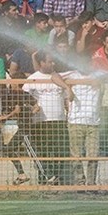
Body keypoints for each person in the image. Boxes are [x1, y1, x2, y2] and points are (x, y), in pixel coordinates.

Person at [22, 51, 69, 184]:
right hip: (41, 122)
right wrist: (32, 107)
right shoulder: (32, 79)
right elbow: (24, 97)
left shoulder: (59, 77)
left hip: (59, 120)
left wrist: (68, 113)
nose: (52, 63)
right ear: (42, 63)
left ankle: (59, 179)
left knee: (61, 151)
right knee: (44, 151)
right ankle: (44, 180)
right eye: (49, 61)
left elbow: (66, 98)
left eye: (53, 61)